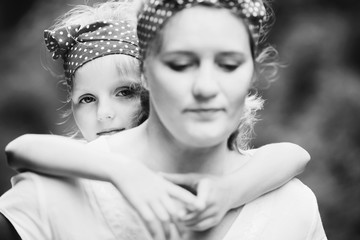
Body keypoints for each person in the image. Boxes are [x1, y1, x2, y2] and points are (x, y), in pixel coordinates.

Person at [0, 0, 322, 239]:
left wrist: (231, 190)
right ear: (148, 75)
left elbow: (293, 155)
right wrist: (120, 170)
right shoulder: (59, 188)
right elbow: (21, 149)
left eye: (229, 64)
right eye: (180, 64)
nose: (105, 114)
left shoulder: (292, 205)